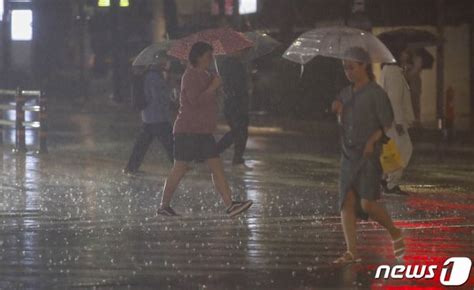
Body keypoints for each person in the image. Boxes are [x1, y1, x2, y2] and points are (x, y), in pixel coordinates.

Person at [158, 42, 253, 217]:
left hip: (204, 131)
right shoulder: (190, 76)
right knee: (179, 168)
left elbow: (209, 100)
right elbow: (195, 101)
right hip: (188, 130)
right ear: (199, 57)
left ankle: (230, 204)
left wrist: (218, 88)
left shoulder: (207, 74)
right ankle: (164, 205)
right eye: (208, 55)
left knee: (216, 167)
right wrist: (212, 87)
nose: (211, 59)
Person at [331, 47, 405, 264]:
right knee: (346, 201)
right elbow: (342, 122)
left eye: (351, 67)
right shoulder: (345, 93)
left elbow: (386, 123)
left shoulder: (376, 93)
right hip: (348, 154)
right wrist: (337, 110)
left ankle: (395, 232)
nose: (348, 72)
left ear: (364, 66)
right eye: (345, 68)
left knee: (367, 203)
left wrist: (372, 140)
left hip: (368, 155)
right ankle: (351, 251)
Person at [123, 54, 174, 175]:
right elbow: (157, 96)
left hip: (149, 116)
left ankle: (131, 167)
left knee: (143, 144)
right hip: (157, 116)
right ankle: (180, 166)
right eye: (164, 60)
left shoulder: (153, 74)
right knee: (171, 142)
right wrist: (169, 101)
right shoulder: (153, 76)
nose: (166, 62)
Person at [379, 42, 415, 196]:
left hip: (388, 120)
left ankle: (385, 178)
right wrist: (399, 122)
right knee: (405, 150)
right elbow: (394, 99)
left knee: (393, 151)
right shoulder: (393, 71)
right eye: (404, 51)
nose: (406, 55)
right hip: (394, 121)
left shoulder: (389, 70)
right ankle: (391, 183)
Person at [215, 52, 250, 166]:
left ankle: (237, 157)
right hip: (235, 103)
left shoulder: (236, 64)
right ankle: (214, 152)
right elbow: (234, 85)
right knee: (238, 131)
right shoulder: (232, 65)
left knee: (241, 131)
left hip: (237, 103)